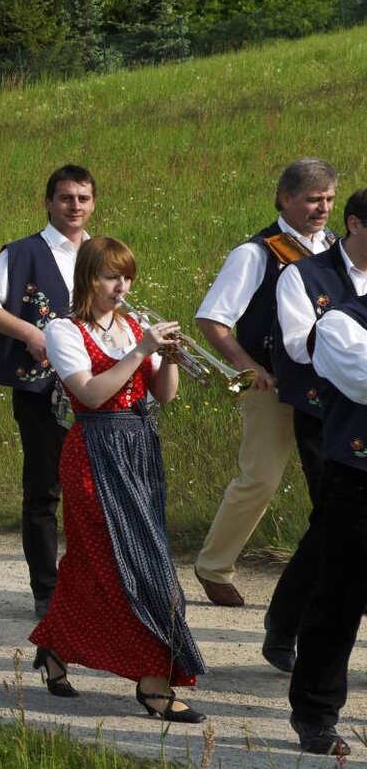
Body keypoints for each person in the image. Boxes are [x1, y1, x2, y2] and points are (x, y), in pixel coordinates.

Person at [30, 237, 207, 723]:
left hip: (139, 445)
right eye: (111, 277)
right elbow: (88, 393)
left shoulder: (131, 325)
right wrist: (141, 349)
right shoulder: (62, 330)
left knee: (94, 563)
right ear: (89, 279)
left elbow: (164, 395)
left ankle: (53, 645)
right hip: (94, 448)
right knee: (132, 563)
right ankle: (154, 683)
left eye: (126, 276)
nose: (121, 286)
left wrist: (168, 357)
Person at [192, 158, 338, 608]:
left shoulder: (335, 246)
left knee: (336, 484)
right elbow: (211, 319)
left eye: (329, 199)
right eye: (314, 199)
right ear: (285, 198)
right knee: (261, 479)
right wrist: (248, 366)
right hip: (269, 386)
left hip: (330, 386)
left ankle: (340, 575)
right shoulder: (255, 252)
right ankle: (213, 566)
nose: (322, 208)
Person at [0, 164, 94, 618]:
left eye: (82, 198)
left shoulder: (102, 252)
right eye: (65, 198)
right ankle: (46, 590)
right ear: (48, 202)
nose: (74, 206)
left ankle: (92, 584)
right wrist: (30, 335)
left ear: (93, 202)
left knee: (94, 491)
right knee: (45, 490)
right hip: (42, 391)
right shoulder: (21, 253)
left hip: (98, 389)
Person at [265, 188, 367, 673]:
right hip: (323, 412)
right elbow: (299, 347)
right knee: (332, 523)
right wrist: (343, 341)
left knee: (333, 526)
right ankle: (287, 624)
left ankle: (288, 622)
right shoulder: (303, 275)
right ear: (354, 225)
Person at [286, 289, 367, 756]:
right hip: (358, 481)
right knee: (339, 600)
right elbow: (361, 382)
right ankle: (315, 713)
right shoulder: (340, 324)